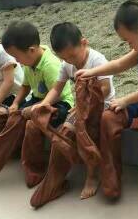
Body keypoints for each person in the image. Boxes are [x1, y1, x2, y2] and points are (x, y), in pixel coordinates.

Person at [77, 0, 138, 209]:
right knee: (109, 117)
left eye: (129, 41)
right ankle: (111, 175)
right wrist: (92, 72)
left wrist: (125, 100)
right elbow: (119, 64)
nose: (129, 46)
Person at [0, 20, 74, 170]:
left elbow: (57, 93)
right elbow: (25, 86)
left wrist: (35, 107)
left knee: (33, 124)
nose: (17, 61)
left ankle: (24, 161)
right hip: (39, 99)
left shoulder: (49, 65)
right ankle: (3, 151)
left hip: (60, 103)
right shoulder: (30, 62)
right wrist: (16, 103)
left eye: (17, 57)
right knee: (14, 117)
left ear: (31, 50)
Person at [36, 22, 114, 199]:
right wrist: (44, 103)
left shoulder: (97, 60)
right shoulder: (67, 64)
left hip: (103, 105)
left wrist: (83, 103)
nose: (70, 61)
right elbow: (57, 89)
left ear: (84, 43)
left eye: (72, 55)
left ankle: (92, 175)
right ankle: (55, 178)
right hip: (80, 108)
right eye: (65, 58)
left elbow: (106, 89)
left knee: (86, 131)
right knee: (64, 132)